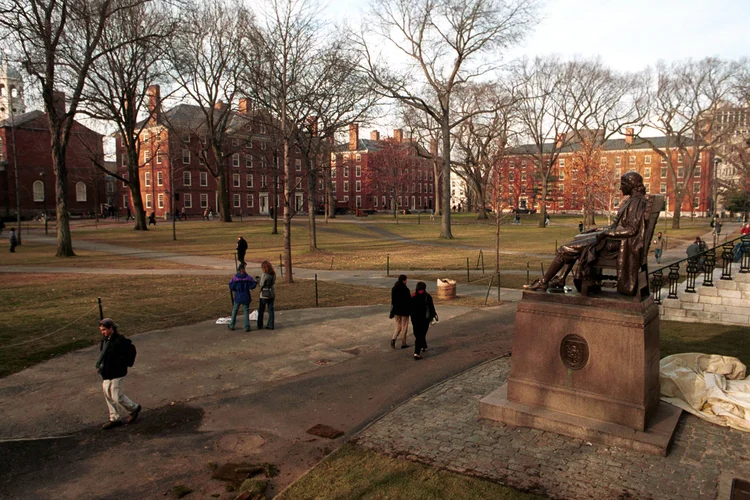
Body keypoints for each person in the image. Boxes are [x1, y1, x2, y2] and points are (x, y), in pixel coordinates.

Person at [525, 172, 648, 295]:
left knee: (565, 249)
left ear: (631, 185)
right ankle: (561, 279)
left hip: (615, 244)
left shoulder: (636, 203)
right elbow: (618, 226)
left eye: (623, 184)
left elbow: (631, 230)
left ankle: (544, 282)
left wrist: (605, 233)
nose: (620, 187)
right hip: (613, 240)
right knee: (578, 238)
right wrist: (597, 230)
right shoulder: (633, 201)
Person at [96, 318, 141, 430]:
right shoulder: (105, 340)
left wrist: (124, 363)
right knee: (107, 394)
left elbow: (131, 350)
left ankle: (134, 408)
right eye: (101, 330)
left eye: (104, 329)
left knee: (117, 396)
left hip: (117, 372)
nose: (103, 332)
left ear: (111, 328)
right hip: (107, 372)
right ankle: (114, 418)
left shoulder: (120, 340)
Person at [410, 281, 437, 360]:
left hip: (414, 318)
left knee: (417, 333)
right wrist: (434, 314)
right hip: (424, 319)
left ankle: (423, 346)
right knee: (421, 334)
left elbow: (409, 306)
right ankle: (416, 353)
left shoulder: (413, 295)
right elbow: (431, 307)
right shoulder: (427, 296)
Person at [228, 263, 257, 332]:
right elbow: (252, 285)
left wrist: (235, 289)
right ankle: (246, 326)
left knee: (235, 310)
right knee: (246, 311)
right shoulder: (248, 277)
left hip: (238, 296)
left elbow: (231, 286)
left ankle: (232, 325)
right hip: (246, 296)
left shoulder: (235, 278)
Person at [390, 274, 411, 349]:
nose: (406, 281)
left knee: (398, 325)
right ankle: (403, 343)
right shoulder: (405, 289)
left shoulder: (394, 288)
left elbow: (393, 300)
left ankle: (393, 339)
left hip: (396, 310)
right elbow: (408, 300)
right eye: (406, 280)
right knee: (404, 326)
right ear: (403, 280)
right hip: (404, 310)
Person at [257, 260, 276, 330]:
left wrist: (258, 281)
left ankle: (260, 324)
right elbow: (273, 282)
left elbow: (261, 284)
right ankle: (271, 324)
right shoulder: (273, 274)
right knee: (271, 309)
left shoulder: (264, 275)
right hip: (271, 293)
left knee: (261, 309)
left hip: (264, 293)